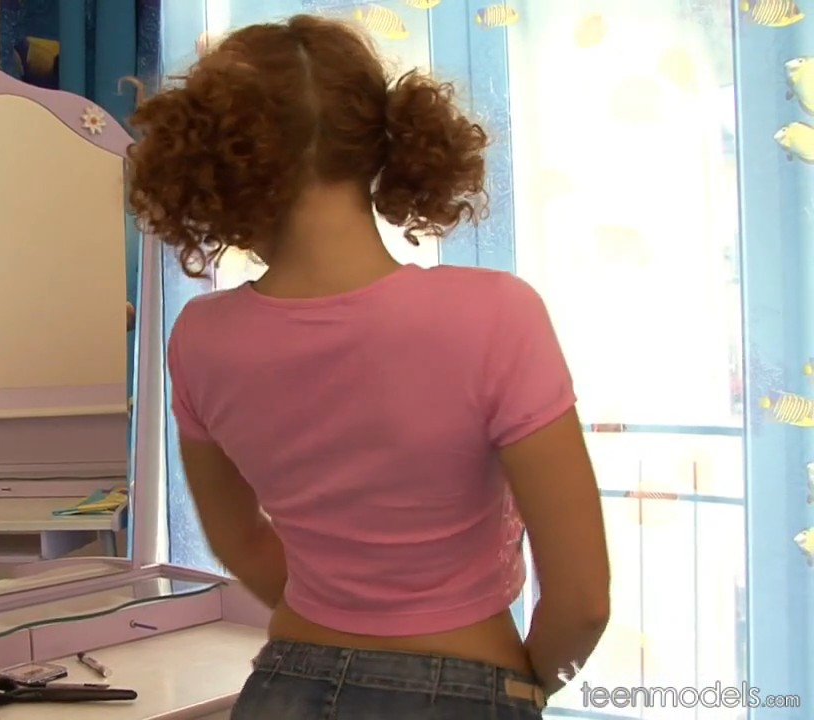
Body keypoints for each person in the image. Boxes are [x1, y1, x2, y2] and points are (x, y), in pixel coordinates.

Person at [126, 15, 609, 720]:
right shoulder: (497, 313)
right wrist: (525, 686)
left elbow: (241, 540)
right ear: (379, 143)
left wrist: (346, 617)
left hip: (283, 685)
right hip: (467, 681)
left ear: (214, 161)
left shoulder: (200, 335)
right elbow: (583, 600)